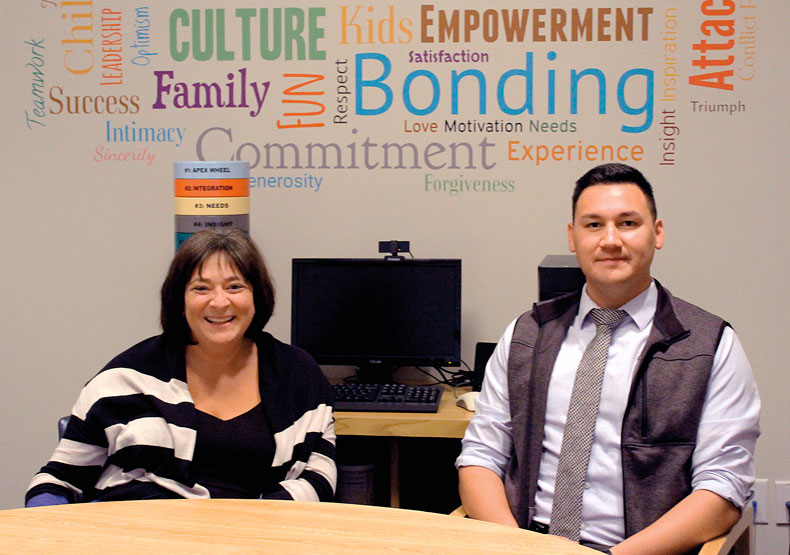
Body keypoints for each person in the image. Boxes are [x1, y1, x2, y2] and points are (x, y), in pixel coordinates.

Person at [456, 163, 760, 554]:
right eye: (594, 225)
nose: (610, 240)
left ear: (658, 232)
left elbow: (723, 487)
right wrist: (515, 547)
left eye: (628, 223)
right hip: (526, 542)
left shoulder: (710, 344)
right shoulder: (526, 334)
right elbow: (482, 456)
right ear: (573, 236)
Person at [26, 229, 336, 506]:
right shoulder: (125, 379)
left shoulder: (297, 375)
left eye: (234, 286)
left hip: (254, 541)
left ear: (257, 295)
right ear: (180, 300)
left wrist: (247, 525)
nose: (219, 302)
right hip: (139, 540)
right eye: (201, 288)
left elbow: (319, 478)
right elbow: (57, 480)